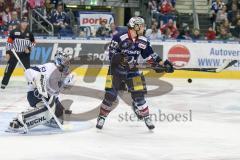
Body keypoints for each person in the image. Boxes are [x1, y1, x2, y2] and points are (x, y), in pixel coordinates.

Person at [96, 17, 174, 130]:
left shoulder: (143, 40)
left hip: (133, 71)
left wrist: (162, 64)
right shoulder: (119, 37)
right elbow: (111, 55)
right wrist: (122, 60)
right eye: (141, 25)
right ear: (135, 27)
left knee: (139, 95)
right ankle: (102, 117)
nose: (143, 27)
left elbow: (150, 55)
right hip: (115, 71)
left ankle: (146, 116)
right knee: (110, 96)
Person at [7, 51, 74, 133]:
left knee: (65, 116)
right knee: (48, 111)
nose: (67, 64)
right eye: (65, 62)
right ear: (59, 61)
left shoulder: (65, 74)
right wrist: (38, 85)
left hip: (51, 98)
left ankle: (48, 118)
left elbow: (58, 91)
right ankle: (19, 121)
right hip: (35, 94)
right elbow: (29, 71)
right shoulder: (49, 67)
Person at [1, 17, 35, 89]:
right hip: (14, 53)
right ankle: (4, 83)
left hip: (25, 55)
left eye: (25, 22)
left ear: (27, 24)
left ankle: (31, 84)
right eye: (23, 22)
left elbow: (33, 43)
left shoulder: (29, 33)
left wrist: (29, 49)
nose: (24, 24)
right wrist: (8, 53)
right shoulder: (13, 32)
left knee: (27, 70)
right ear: (20, 23)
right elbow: (9, 43)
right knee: (9, 69)